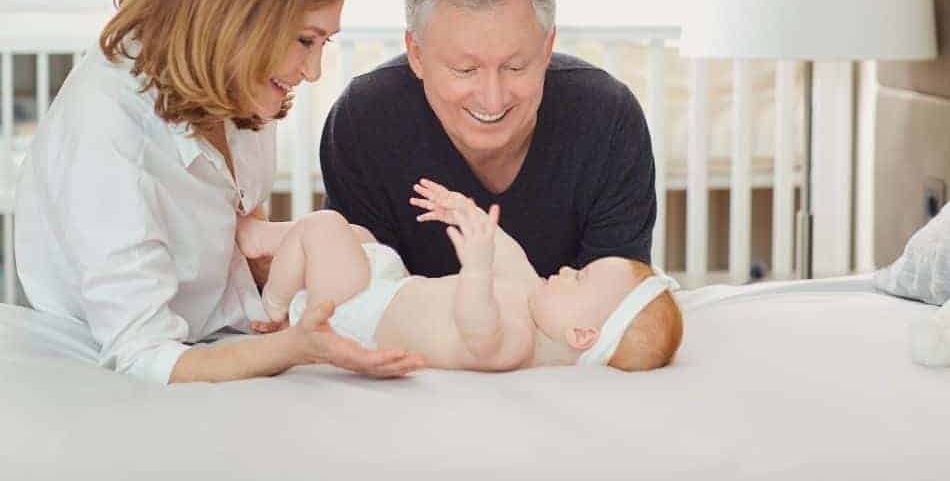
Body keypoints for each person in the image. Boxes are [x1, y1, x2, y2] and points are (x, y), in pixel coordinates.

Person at [14, 0, 423, 384]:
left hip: (220, 318)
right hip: (150, 342)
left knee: (355, 247)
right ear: (239, 16)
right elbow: (146, 355)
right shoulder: (111, 133)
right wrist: (294, 346)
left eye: (325, 43)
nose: (313, 72)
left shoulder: (237, 83)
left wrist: (290, 259)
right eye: (304, 40)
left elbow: (234, 218)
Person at [320, 0, 657, 279]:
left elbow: (616, 304)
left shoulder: (608, 120)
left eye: (515, 67)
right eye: (465, 70)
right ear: (417, 55)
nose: (492, 100)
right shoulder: (364, 120)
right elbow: (358, 303)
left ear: (546, 49)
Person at [238, 179, 683, 372]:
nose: (567, 269)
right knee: (359, 235)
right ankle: (280, 243)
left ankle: (274, 304)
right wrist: (466, 212)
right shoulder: (534, 299)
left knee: (327, 226)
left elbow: (477, 327)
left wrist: (474, 267)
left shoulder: (516, 346)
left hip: (361, 316)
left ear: (582, 334)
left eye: (580, 279)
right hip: (392, 288)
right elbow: (508, 258)